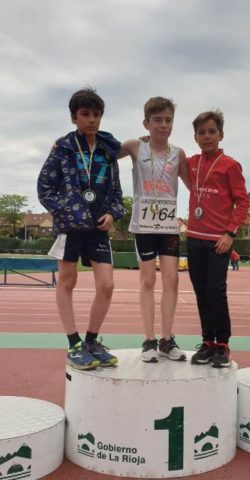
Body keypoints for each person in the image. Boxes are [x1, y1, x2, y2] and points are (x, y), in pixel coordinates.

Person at [37, 88, 124, 370]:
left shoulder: (108, 151)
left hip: (98, 229)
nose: (92, 120)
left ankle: (91, 341)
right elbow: (44, 188)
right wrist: (67, 211)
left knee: (107, 285)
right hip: (71, 228)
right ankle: (74, 344)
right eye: (85, 114)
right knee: (67, 281)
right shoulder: (63, 148)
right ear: (74, 117)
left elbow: (116, 192)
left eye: (96, 114)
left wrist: (113, 213)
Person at [118, 97, 188, 363]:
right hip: (144, 225)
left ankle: (166, 340)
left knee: (172, 279)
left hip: (168, 226)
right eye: (157, 120)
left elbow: (195, 185)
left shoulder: (178, 153)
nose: (163, 125)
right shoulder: (135, 146)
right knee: (148, 280)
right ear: (146, 123)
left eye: (168, 120)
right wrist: (65, 144)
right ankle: (148, 340)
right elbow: (105, 150)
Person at [187, 110, 249, 368]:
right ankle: (207, 342)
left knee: (216, 291)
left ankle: (222, 344)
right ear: (195, 137)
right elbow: (165, 156)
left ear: (220, 134)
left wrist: (230, 233)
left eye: (212, 131)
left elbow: (243, 202)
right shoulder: (190, 163)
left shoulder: (230, 165)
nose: (207, 136)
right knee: (201, 292)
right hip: (193, 237)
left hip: (219, 240)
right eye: (201, 132)